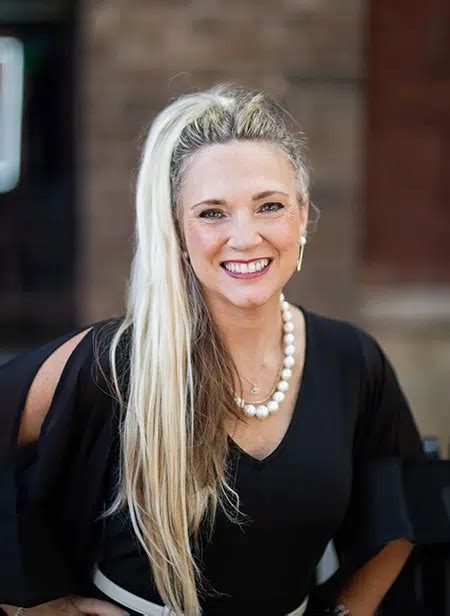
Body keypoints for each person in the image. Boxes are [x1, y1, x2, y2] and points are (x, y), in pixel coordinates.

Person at [0, 83, 426, 616]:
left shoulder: (352, 359)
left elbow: (403, 514)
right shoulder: (114, 362)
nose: (244, 237)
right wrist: (38, 604)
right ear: (177, 231)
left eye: (269, 206)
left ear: (302, 216)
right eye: (212, 213)